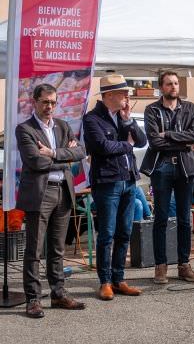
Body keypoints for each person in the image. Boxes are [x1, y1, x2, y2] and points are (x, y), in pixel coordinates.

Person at [15, 83, 86, 318]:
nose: (50, 107)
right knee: (34, 249)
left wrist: (53, 153)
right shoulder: (24, 129)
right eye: (45, 102)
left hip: (63, 192)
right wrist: (64, 159)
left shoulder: (63, 126)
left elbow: (80, 153)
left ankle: (58, 294)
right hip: (40, 194)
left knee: (57, 248)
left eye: (54, 102)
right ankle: (33, 299)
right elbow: (35, 162)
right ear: (34, 102)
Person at [83, 74, 147, 300]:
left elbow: (141, 141)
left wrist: (129, 121)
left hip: (129, 180)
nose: (127, 97)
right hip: (107, 182)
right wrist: (126, 146)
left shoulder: (124, 116)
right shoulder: (92, 119)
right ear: (109, 95)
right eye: (123, 93)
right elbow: (101, 147)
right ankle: (105, 281)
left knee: (124, 232)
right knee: (107, 234)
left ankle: (119, 279)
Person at [140, 71, 194, 284]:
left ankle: (184, 265)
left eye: (176, 83)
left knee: (185, 219)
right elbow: (154, 142)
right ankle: (161, 266)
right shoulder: (152, 110)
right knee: (161, 218)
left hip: (185, 168)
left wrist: (167, 134)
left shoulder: (190, 108)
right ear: (161, 87)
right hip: (162, 167)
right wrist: (182, 142)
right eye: (169, 84)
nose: (174, 87)